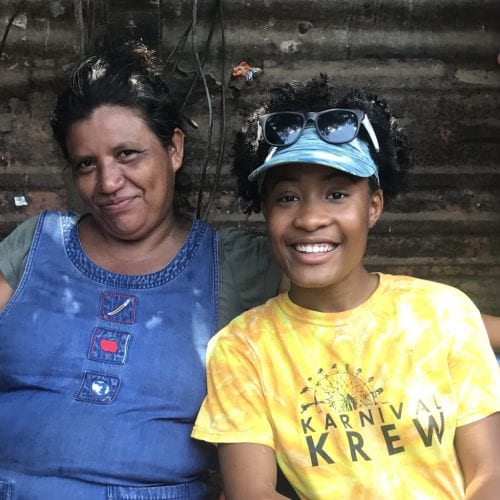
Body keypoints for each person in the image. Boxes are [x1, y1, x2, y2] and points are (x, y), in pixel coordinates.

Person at [192, 76, 500, 498]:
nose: (310, 218)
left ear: (373, 206)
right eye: (287, 197)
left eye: (336, 194)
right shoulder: (243, 348)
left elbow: (489, 474)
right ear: (264, 210)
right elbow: (252, 494)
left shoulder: (444, 312)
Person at [0, 43, 283, 499]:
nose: (108, 183)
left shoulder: (233, 263)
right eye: (86, 164)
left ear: (173, 149)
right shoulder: (38, 244)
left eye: (128, 154)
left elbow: (333, 326)